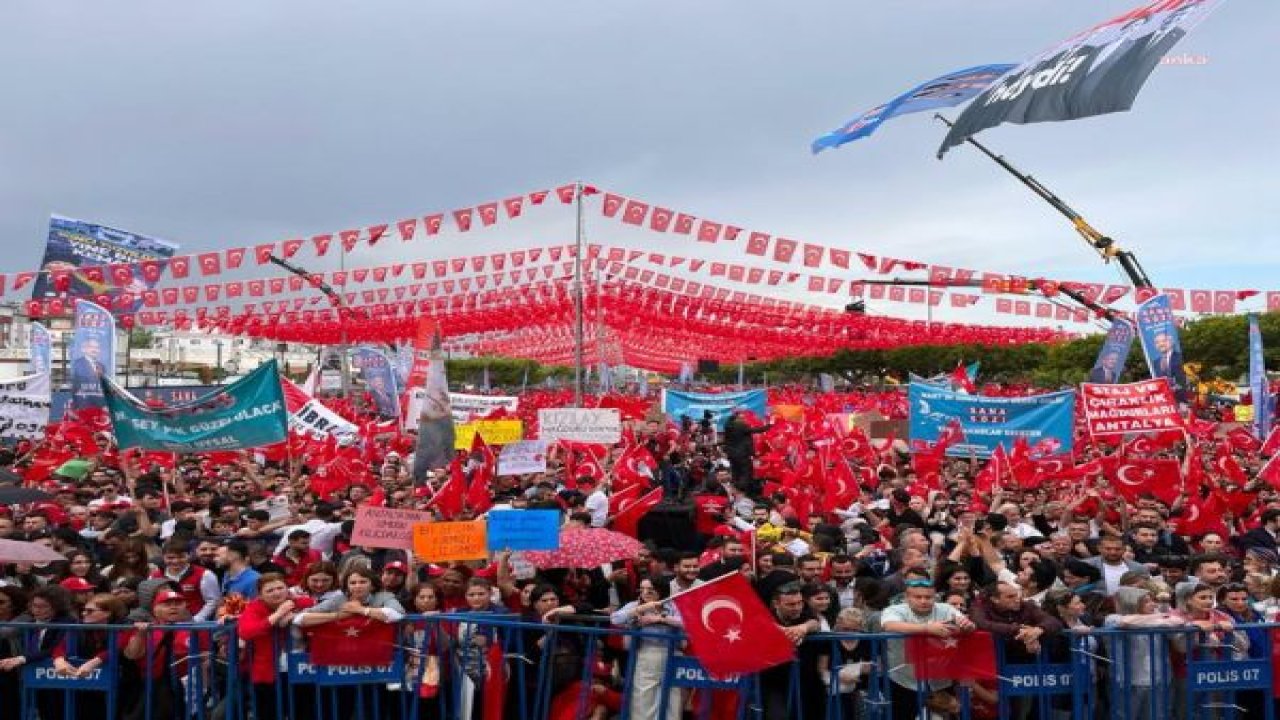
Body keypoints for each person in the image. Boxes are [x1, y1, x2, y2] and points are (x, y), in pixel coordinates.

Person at [880, 570, 976, 720]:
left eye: (928, 597)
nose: (923, 601)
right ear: (907, 598)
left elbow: (966, 624)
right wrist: (926, 629)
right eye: (918, 597)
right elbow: (890, 625)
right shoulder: (894, 610)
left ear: (935, 597)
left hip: (940, 679)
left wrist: (968, 626)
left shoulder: (945, 608)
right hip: (904, 679)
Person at [238, 573, 314, 720]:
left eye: (280, 588)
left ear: (288, 589)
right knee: (268, 713)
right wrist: (277, 615)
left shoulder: (301, 603)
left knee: (304, 712)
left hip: (301, 669)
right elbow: (247, 632)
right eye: (270, 590)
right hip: (267, 672)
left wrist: (296, 617)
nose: (277, 593)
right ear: (260, 595)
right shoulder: (254, 608)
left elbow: (319, 611)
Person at [610, 576, 682, 720]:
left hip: (673, 654)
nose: (645, 593)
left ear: (660, 590)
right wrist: (643, 608)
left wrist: (662, 619)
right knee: (644, 695)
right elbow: (615, 618)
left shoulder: (673, 605)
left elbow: (687, 622)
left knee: (673, 696)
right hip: (647, 652)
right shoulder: (635, 605)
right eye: (642, 589)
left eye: (650, 590)